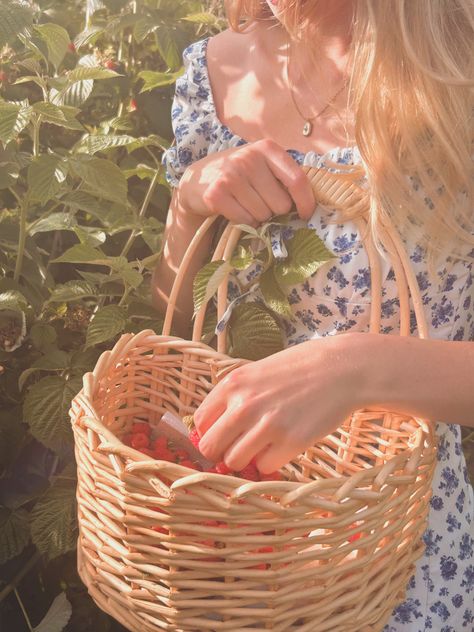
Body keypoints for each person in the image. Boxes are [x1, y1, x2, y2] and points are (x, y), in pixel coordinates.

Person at [152, 1, 474, 629]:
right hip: (224, 541)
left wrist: (356, 369)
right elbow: (174, 314)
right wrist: (191, 202)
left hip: (388, 550)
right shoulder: (218, 70)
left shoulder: (457, 75)